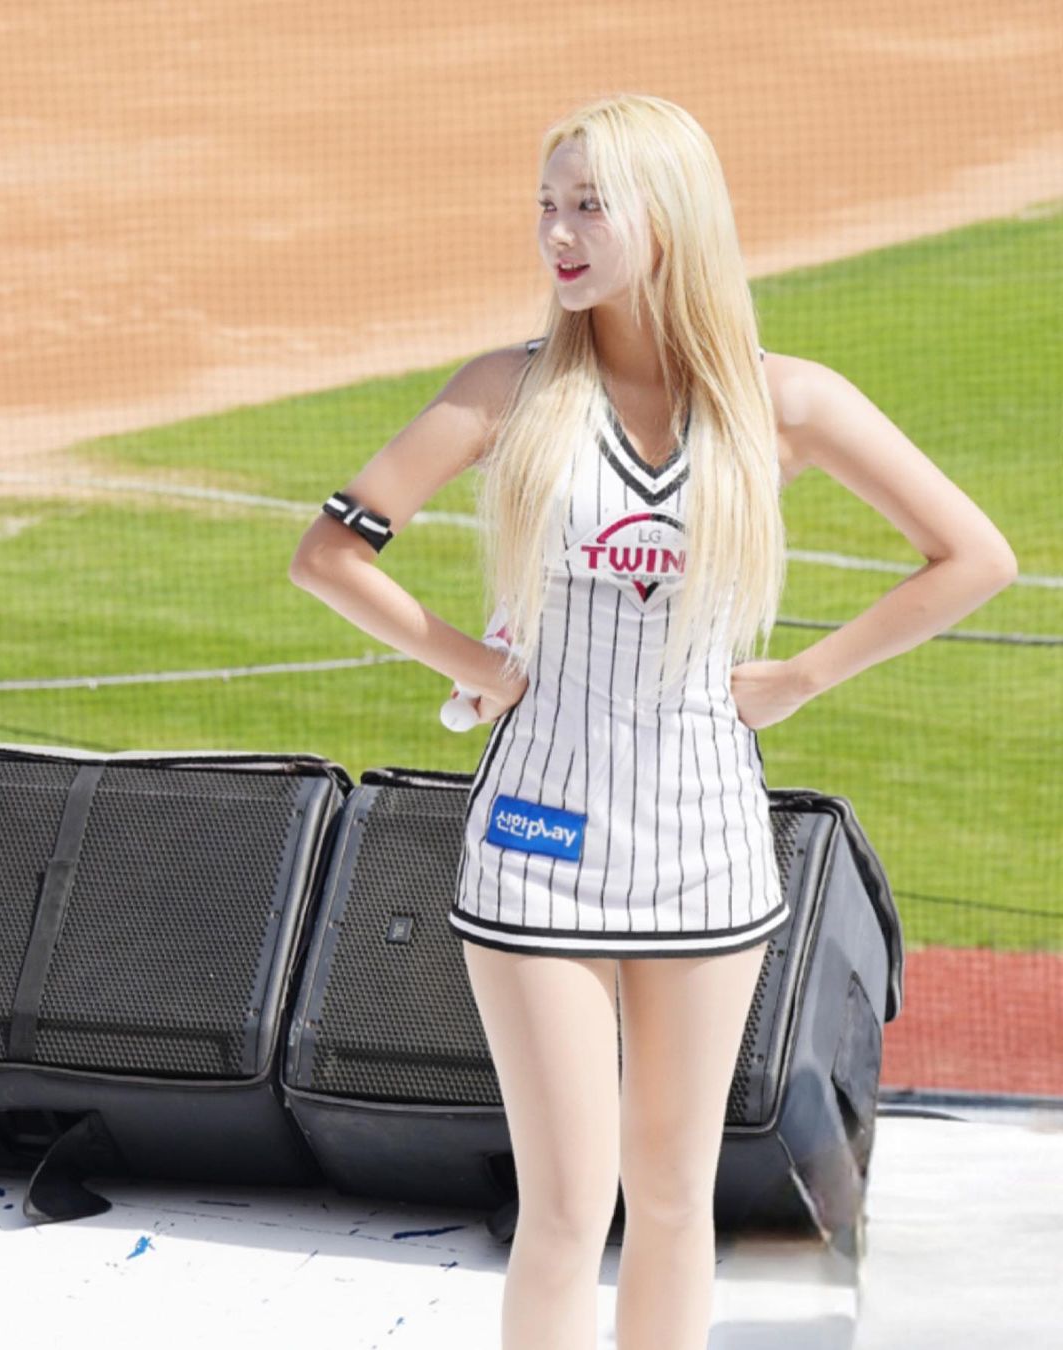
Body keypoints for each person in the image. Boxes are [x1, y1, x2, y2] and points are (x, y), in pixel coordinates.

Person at [290, 92, 1017, 1350]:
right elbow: (330, 553)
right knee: (568, 1208)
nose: (557, 234)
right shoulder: (508, 389)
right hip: (536, 842)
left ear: (669, 220)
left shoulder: (785, 402)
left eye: (589, 207)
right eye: (546, 206)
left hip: (707, 845)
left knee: (676, 1200)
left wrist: (804, 676)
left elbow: (974, 555)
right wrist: (471, 659)